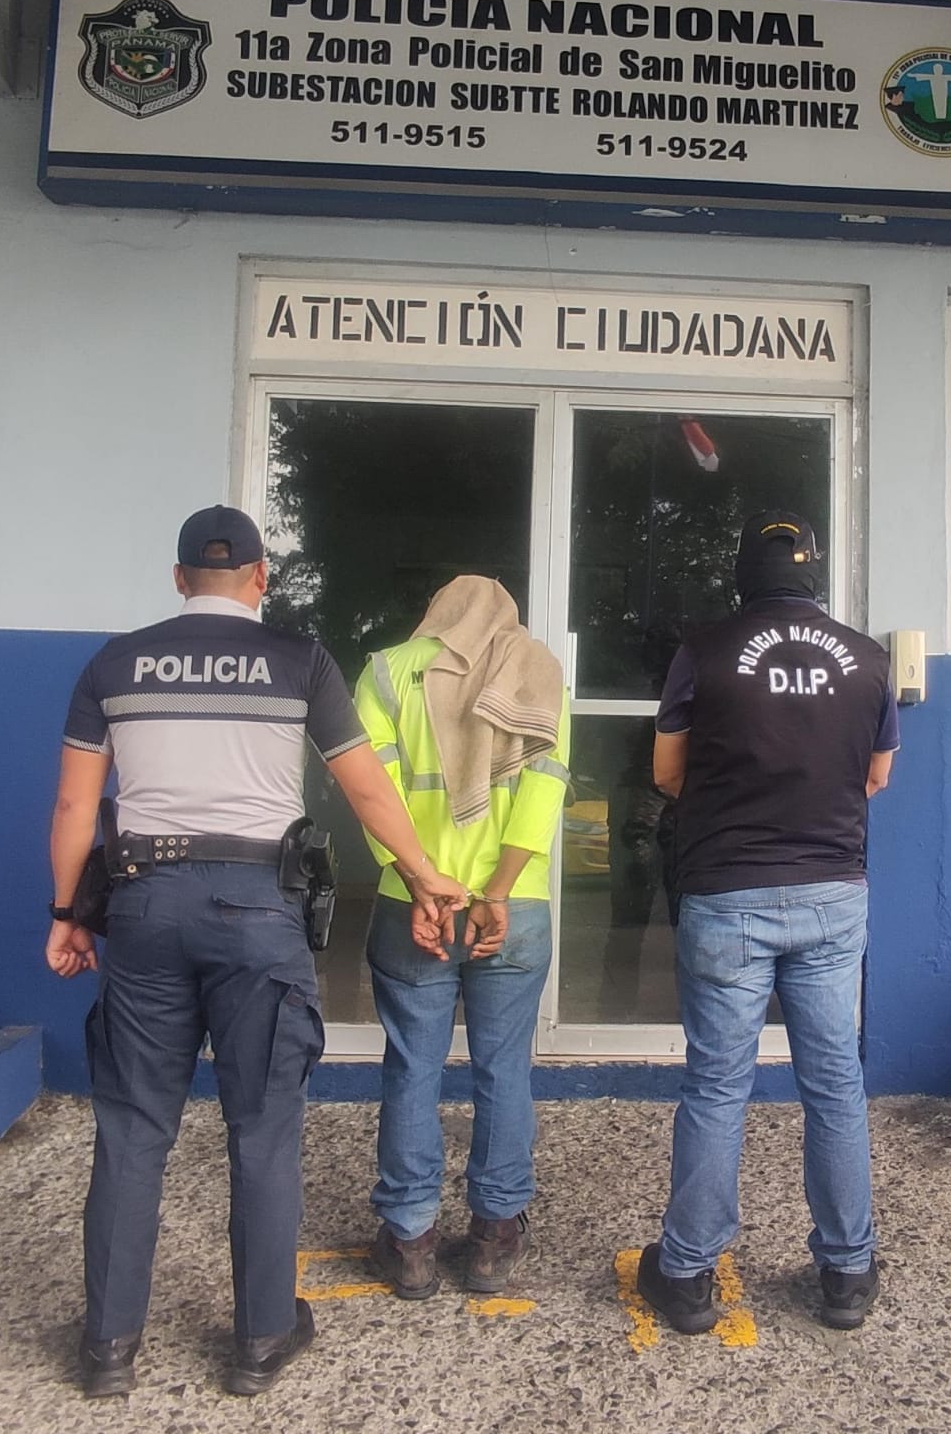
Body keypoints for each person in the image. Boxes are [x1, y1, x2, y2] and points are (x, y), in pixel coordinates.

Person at [44, 506, 466, 1400]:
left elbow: (76, 808)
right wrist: (424, 874)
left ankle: (109, 1347)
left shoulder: (116, 663)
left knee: (132, 1128)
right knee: (264, 1127)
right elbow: (365, 788)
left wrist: (66, 913)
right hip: (258, 912)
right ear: (261, 577)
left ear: (178, 578)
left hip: (144, 904)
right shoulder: (299, 660)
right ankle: (262, 1339)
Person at [635, 511, 898, 1336]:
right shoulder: (868, 659)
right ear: (813, 573)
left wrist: (734, 797)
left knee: (718, 1084)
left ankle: (686, 1273)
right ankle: (847, 1271)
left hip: (728, 890)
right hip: (830, 892)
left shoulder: (704, 651)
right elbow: (876, 777)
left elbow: (667, 774)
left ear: (743, 574)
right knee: (835, 1083)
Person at [353, 577, 570, 1299]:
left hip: (412, 903)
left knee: (412, 1065)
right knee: (504, 1068)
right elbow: (546, 787)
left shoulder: (388, 671)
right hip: (514, 906)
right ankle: (493, 1238)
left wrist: (418, 881)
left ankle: (410, 1238)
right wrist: (498, 890)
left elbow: (371, 788)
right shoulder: (537, 667)